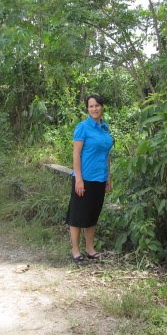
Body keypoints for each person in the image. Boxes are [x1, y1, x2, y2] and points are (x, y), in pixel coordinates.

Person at [66, 94, 113, 264]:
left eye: (97, 105)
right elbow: (76, 154)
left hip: (99, 178)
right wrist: (78, 179)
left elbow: (106, 155)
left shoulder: (105, 128)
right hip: (84, 178)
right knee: (78, 216)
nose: (94, 109)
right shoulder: (83, 127)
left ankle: (90, 248)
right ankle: (75, 250)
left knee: (93, 214)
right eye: (91, 106)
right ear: (87, 108)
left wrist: (108, 177)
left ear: (102, 107)